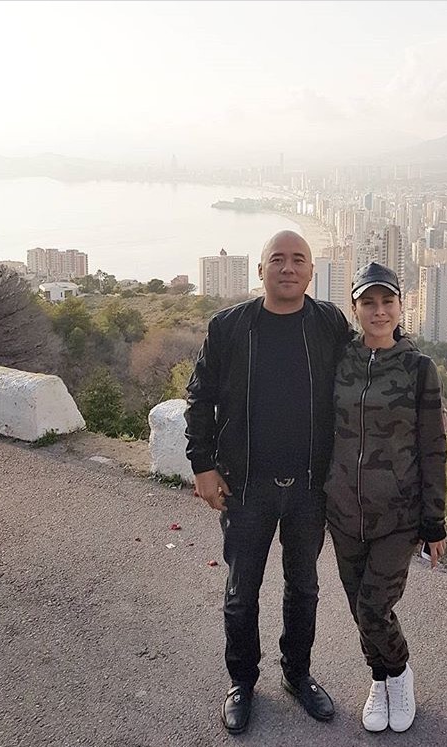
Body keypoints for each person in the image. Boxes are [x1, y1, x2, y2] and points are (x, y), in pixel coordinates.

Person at [184, 230, 353, 734]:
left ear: (311, 272)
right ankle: (242, 682)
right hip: (246, 486)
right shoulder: (230, 327)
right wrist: (203, 465)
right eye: (277, 259)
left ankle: (297, 675)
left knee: (304, 589)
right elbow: (200, 399)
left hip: (309, 487)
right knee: (242, 591)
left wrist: (421, 393)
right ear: (261, 271)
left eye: (298, 259)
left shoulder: (328, 324)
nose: (288, 267)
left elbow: (371, 361)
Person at [324, 262, 447, 734]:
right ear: (355, 309)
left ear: (400, 306)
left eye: (387, 301)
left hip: (398, 515)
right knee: (359, 606)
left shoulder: (419, 369)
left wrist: (434, 522)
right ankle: (379, 678)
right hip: (343, 511)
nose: (379, 311)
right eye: (368, 303)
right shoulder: (341, 360)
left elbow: (433, 448)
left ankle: (398, 673)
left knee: (374, 608)